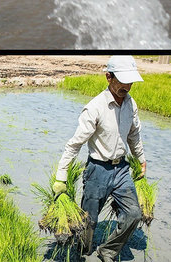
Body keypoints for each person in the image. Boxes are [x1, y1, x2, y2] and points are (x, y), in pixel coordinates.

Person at [53, 55, 146, 262]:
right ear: (108, 77)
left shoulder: (131, 104)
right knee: (89, 222)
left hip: (122, 169)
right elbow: (74, 144)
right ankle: (82, 252)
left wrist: (141, 159)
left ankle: (108, 251)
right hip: (97, 170)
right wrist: (61, 176)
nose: (127, 86)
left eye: (130, 81)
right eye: (122, 80)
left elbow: (134, 135)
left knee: (134, 214)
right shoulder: (95, 107)